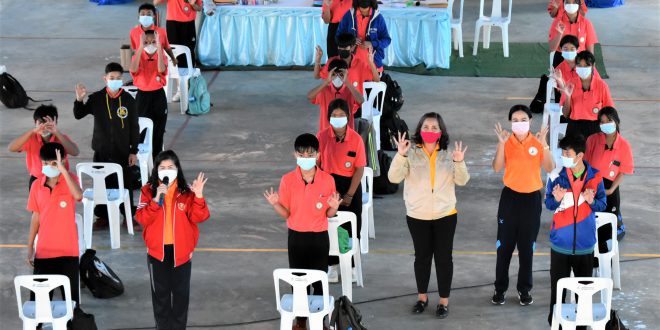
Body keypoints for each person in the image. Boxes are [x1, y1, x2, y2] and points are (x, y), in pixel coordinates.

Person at [388, 112, 469, 319]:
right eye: (426, 127)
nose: (430, 131)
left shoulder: (449, 154)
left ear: (441, 132)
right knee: (422, 258)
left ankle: (443, 301)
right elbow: (393, 177)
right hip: (417, 215)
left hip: (445, 215)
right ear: (419, 130)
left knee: (444, 259)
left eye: (434, 128)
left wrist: (459, 162)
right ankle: (422, 298)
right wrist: (400, 155)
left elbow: (462, 181)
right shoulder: (410, 152)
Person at [264, 133, 341, 330]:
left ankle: (321, 320)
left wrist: (334, 206)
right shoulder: (287, 180)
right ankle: (300, 321)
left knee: (319, 279)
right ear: (295, 155)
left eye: (310, 154)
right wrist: (275, 204)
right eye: (301, 154)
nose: (305, 158)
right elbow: (286, 213)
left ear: (318, 155)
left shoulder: (327, 180)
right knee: (298, 280)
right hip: (296, 237)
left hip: (319, 238)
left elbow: (329, 213)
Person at [135, 150, 210, 330]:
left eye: (171, 167)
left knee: (180, 295)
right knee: (160, 296)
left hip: (181, 253)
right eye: (162, 167)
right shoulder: (147, 191)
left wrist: (199, 196)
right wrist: (155, 200)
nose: (166, 170)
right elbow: (141, 218)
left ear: (177, 169)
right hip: (157, 253)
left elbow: (200, 217)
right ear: (156, 170)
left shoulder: (187, 192)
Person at [491, 105, 554, 306]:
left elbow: (550, 168)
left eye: (523, 119)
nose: (519, 123)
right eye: (515, 120)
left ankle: (524, 289)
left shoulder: (537, 142)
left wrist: (544, 144)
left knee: (527, 248)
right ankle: (499, 289)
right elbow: (497, 167)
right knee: (504, 247)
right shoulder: (506, 141)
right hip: (510, 199)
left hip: (531, 200)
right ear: (510, 122)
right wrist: (500, 145)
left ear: (530, 121)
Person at [544, 134, 606, 325]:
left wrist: (591, 201)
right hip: (560, 246)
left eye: (567, 153)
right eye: (562, 152)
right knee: (558, 291)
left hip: (585, 246)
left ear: (579, 156)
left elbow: (602, 204)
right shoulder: (556, 177)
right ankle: (556, 323)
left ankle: (581, 324)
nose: (564, 156)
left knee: (583, 294)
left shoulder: (595, 177)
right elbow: (548, 203)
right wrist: (555, 199)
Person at [74, 62, 140, 229]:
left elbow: (134, 127)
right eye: (112, 78)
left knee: (125, 184)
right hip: (101, 151)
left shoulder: (128, 100)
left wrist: (134, 151)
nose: (115, 81)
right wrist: (79, 100)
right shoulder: (96, 99)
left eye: (118, 78)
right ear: (105, 79)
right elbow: (78, 114)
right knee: (101, 185)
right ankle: (103, 217)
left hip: (123, 152)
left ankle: (128, 217)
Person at [26, 143, 83, 306]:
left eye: (53, 163)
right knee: (38, 304)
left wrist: (63, 170)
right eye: (45, 163)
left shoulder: (71, 180)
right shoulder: (36, 185)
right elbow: (35, 217)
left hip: (68, 252)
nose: (49, 167)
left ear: (62, 161)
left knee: (71, 304)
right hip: (44, 252)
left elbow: (78, 195)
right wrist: (30, 246)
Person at [317, 99, 367, 283]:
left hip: (350, 186)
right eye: (334, 115)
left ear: (348, 116)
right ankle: (332, 266)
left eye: (341, 115)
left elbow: (359, 169)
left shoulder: (356, 139)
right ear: (329, 117)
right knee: (329, 226)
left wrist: (350, 195)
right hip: (328, 186)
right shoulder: (322, 137)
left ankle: (352, 265)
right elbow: (317, 166)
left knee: (350, 228)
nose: (337, 119)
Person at [585, 107, 633, 240]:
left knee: (609, 233)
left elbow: (623, 171)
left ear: (616, 121)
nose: (605, 124)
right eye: (602, 122)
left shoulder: (624, 145)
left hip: (610, 186)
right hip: (592, 183)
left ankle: (618, 222)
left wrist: (611, 190)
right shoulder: (592, 140)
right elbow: (585, 165)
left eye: (609, 120)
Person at [8, 105, 79, 191]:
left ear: (55, 123)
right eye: (41, 123)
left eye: (48, 124)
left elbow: (75, 152)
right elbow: (11, 148)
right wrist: (32, 132)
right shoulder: (30, 138)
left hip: (60, 178)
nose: (44, 127)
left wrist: (57, 133)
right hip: (37, 179)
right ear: (35, 123)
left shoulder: (61, 138)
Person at [130, 29, 169, 160]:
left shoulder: (161, 54)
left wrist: (159, 48)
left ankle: (156, 162)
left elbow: (161, 69)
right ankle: (139, 161)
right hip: (142, 97)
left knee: (158, 131)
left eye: (153, 41)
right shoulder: (137, 55)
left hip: (158, 96)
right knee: (140, 131)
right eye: (146, 42)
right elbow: (133, 69)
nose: (150, 44)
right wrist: (140, 48)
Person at [557, 51, 614, 139]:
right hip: (574, 126)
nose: (583, 68)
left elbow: (609, 112)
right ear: (576, 66)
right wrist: (568, 97)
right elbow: (565, 114)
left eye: (586, 66)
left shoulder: (602, 86)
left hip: (595, 126)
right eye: (579, 66)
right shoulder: (570, 84)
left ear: (593, 66)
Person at [314, 33, 380, 96]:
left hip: (355, 103)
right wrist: (318, 60)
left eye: (345, 48)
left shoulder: (360, 64)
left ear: (352, 47)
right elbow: (317, 76)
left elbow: (377, 80)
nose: (342, 50)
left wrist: (371, 63)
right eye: (340, 47)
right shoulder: (332, 61)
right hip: (336, 102)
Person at [307, 59, 365, 132]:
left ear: (346, 75)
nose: (337, 78)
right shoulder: (324, 90)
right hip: (326, 133)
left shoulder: (350, 91)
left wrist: (347, 82)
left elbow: (361, 100)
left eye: (341, 75)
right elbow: (309, 96)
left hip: (347, 132)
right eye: (333, 74)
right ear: (329, 75)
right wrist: (326, 82)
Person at [336, 0, 391, 73]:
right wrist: (351, 40)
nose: (363, 12)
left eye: (366, 10)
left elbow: (387, 40)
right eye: (361, 10)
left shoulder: (378, 18)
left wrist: (372, 43)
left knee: (373, 83)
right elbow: (338, 37)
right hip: (351, 64)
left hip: (373, 65)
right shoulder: (349, 15)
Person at [154, 0, 201, 71]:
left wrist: (193, 4)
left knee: (189, 50)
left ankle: (189, 75)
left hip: (189, 23)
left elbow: (199, 8)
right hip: (173, 22)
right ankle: (174, 73)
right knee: (173, 49)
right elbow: (155, 2)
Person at [548, 0, 598, 67]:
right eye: (567, 2)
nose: (571, 5)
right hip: (561, 56)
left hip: (580, 57)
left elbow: (590, 49)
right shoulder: (557, 23)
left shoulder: (586, 23)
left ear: (579, 5)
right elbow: (552, 48)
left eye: (574, 2)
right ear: (564, 4)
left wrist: (591, 63)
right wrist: (559, 34)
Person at [130, 3, 178, 68]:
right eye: (143, 14)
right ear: (139, 16)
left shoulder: (161, 31)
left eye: (149, 14)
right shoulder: (133, 32)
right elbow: (134, 50)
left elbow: (167, 47)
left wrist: (173, 58)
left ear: (154, 16)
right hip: (141, 65)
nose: (145, 16)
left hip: (159, 64)